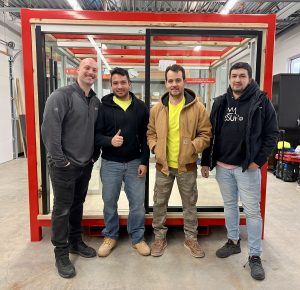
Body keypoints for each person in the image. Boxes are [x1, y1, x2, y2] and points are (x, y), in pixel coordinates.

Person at [201, 62, 279, 281]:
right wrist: (206, 162)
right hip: (223, 167)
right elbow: (210, 134)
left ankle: (254, 255)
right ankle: (233, 241)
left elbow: (271, 134)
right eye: (233, 76)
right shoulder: (220, 102)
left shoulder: (261, 101)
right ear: (229, 78)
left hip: (247, 168)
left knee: (252, 212)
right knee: (229, 206)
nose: (237, 80)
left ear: (249, 78)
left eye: (242, 76)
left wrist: (258, 160)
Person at [41, 58, 100, 278]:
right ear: (78, 70)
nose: (91, 72)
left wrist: (94, 156)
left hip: (85, 164)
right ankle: (61, 253)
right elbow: (50, 131)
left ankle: (76, 242)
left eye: (94, 70)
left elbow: (94, 131)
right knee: (62, 209)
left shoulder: (94, 101)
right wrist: (61, 161)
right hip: (63, 166)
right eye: (87, 68)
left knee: (77, 205)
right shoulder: (61, 96)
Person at [147, 64, 212, 258]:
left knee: (190, 204)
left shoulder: (197, 107)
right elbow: (150, 132)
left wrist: (193, 147)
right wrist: (154, 147)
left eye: (178, 80)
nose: (174, 84)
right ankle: (159, 237)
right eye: (170, 81)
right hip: (163, 167)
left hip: (187, 166)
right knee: (159, 203)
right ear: (166, 83)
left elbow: (206, 134)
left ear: (184, 81)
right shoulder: (158, 109)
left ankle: (191, 239)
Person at [95, 67, 150, 257]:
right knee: (109, 202)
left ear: (129, 83)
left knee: (137, 204)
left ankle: (137, 237)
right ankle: (110, 235)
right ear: (111, 85)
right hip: (111, 163)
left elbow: (146, 137)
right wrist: (109, 141)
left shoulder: (141, 107)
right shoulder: (103, 107)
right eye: (115, 83)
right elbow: (95, 136)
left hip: (135, 162)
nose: (119, 86)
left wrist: (144, 161)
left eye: (123, 82)